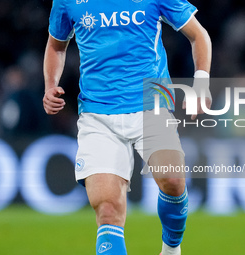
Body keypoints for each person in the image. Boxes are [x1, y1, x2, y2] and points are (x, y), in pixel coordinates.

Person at [43, 0, 212, 254]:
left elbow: (199, 35)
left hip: (151, 102)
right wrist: (49, 84)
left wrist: (201, 83)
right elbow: (56, 45)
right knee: (108, 208)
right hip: (97, 113)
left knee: (174, 180)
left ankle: (171, 249)